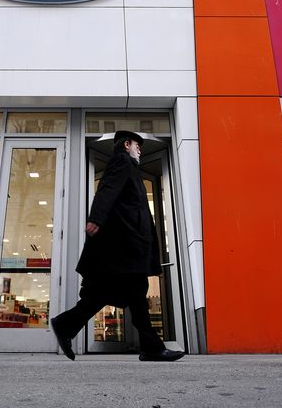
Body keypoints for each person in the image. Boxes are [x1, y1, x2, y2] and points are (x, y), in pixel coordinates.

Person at [50, 130, 184, 362]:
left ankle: (65, 325)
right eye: (137, 146)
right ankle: (151, 347)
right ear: (125, 145)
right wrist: (96, 218)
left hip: (127, 248)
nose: (139, 149)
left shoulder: (130, 166)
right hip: (125, 248)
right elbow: (107, 190)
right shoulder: (122, 162)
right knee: (132, 294)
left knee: (123, 295)